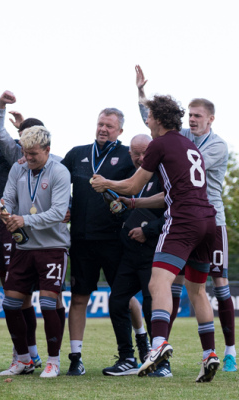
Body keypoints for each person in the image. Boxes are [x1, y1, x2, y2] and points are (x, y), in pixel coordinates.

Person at [91, 94, 220, 383]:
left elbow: (134, 183)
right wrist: (134, 203)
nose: (146, 120)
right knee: (198, 291)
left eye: (148, 116)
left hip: (183, 221)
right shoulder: (189, 145)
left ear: (159, 120)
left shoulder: (159, 144)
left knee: (157, 282)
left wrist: (106, 183)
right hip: (207, 221)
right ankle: (209, 353)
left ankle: (158, 343)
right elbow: (168, 192)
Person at [135, 66, 235, 372]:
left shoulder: (214, 145)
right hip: (197, 217)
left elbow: (182, 170)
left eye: (197, 116)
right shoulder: (184, 137)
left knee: (216, 283)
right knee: (182, 286)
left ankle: (228, 350)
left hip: (209, 217)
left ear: (210, 119)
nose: (192, 120)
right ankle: (191, 353)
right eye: (189, 115)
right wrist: (141, 94)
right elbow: (156, 124)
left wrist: (120, 190)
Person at [60, 106, 137, 376]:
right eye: (100, 124)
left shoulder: (127, 156)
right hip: (81, 239)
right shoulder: (78, 153)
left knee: (123, 297)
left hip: (116, 239)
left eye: (110, 126)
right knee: (79, 298)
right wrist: (66, 204)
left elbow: (139, 189)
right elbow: (56, 180)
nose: (103, 129)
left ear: (120, 131)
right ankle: (75, 357)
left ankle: (138, 347)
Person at [0, 126, 70, 378]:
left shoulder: (60, 172)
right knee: (9, 303)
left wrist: (24, 220)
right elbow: (7, 198)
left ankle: (53, 361)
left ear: (47, 150)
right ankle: (25, 359)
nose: (28, 158)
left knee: (48, 303)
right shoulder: (18, 168)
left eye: (33, 154)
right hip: (23, 246)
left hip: (52, 247)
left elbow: (60, 213)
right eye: (25, 153)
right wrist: (3, 210)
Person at [101, 134, 160, 376]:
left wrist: (148, 230)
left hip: (154, 253)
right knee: (116, 301)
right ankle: (127, 357)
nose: (140, 157)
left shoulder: (164, 175)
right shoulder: (133, 179)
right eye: (135, 153)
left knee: (150, 305)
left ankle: (157, 360)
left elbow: (175, 210)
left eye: (145, 152)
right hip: (129, 254)